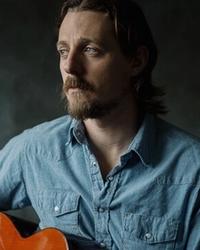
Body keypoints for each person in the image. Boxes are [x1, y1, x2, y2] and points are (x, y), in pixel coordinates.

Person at [0, 0, 200, 249]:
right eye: (63, 51)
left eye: (90, 50)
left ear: (136, 61)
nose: (69, 67)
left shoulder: (193, 174)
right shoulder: (34, 150)